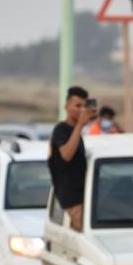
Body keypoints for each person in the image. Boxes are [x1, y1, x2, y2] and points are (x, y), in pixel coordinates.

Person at [47, 85, 95, 231]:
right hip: (72, 199)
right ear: (66, 107)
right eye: (77, 106)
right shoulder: (61, 130)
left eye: (84, 106)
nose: (81, 110)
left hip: (83, 196)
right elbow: (66, 155)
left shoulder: (76, 132)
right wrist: (80, 125)